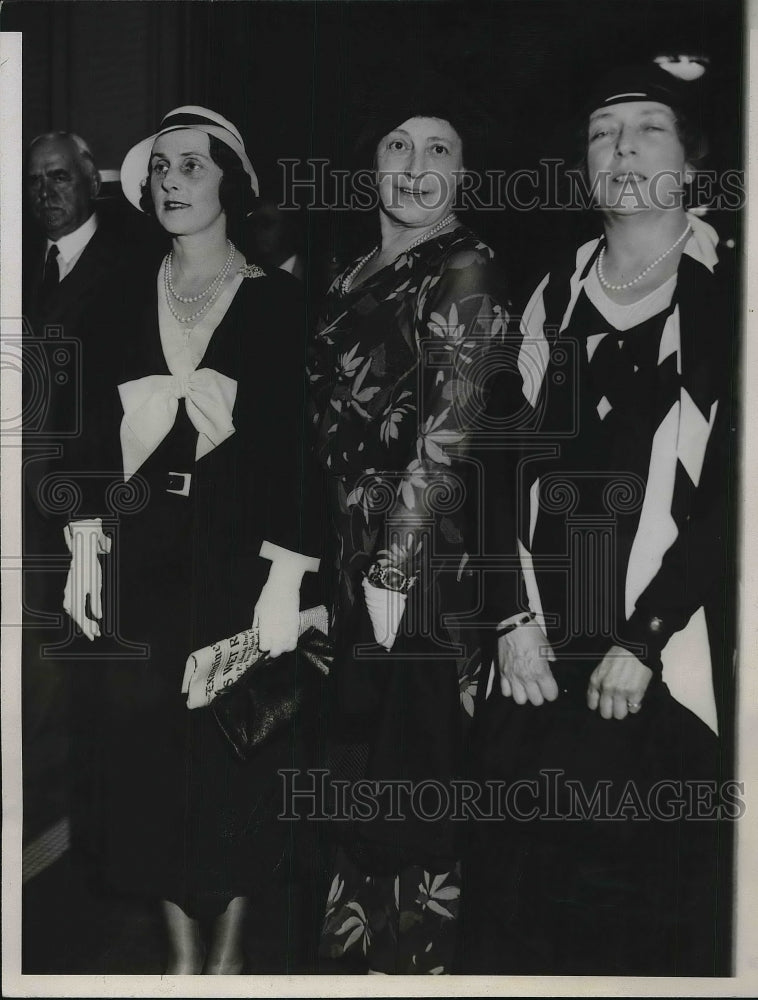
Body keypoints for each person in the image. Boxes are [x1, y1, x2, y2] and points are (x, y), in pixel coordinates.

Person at [463, 64, 737, 975]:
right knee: (517, 919)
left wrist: (647, 636)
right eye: (600, 132)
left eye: (647, 128)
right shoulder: (553, 295)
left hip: (668, 657)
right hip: (538, 657)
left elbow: (737, 494)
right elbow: (494, 468)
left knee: (650, 926)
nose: (619, 147)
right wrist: (510, 621)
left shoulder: (729, 290)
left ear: (693, 163)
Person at [61, 106, 322, 973]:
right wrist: (84, 539)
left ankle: (232, 954)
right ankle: (181, 955)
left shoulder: (282, 303)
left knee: (238, 750)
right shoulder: (117, 297)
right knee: (146, 758)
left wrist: (287, 575)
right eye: (161, 168)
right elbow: (91, 432)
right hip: (141, 554)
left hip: (238, 559)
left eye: (192, 166)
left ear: (231, 185)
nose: (173, 180)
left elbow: (293, 448)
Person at [309, 87, 509, 973]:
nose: (416, 167)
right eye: (398, 146)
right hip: (346, 567)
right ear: (373, 164)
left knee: (410, 814)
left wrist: (389, 570)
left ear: (464, 173)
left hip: (421, 577)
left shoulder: (465, 265)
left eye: (439, 149)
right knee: (354, 807)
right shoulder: (348, 271)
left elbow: (449, 428)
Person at [21, 132, 155, 850]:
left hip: (101, 506)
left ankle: (112, 826)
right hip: (47, 500)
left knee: (104, 662)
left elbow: (127, 399)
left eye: (59, 178)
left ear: (88, 183)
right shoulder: (34, 269)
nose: (47, 192)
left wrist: (89, 503)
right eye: (35, 182)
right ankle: (81, 815)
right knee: (67, 659)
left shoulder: (128, 267)